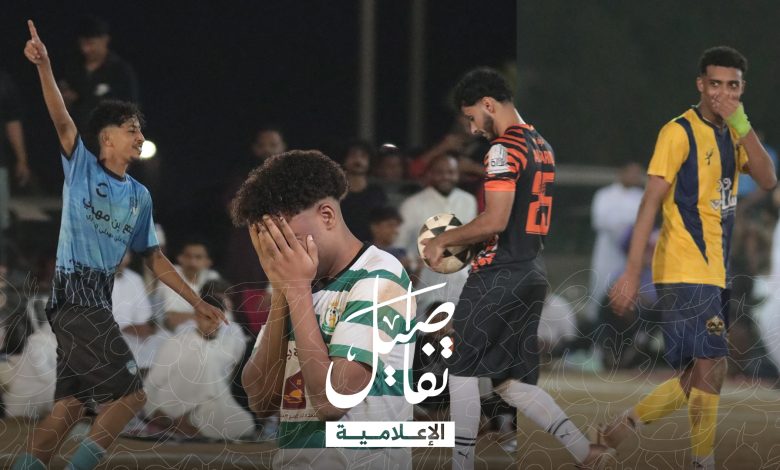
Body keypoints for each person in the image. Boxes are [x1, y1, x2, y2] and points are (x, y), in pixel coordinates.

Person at [11, 21, 225, 470]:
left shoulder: (140, 197)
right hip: (77, 301)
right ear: (106, 138)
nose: (140, 135)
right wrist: (45, 65)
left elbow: (155, 258)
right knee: (132, 397)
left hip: (96, 304)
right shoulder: (82, 167)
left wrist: (197, 302)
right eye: (131, 129)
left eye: (140, 129)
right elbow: (61, 118)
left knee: (72, 407)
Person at [421, 67, 608, 469]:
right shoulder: (542, 145)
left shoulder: (503, 150)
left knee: (461, 369)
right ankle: (585, 451)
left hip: (499, 274)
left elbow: (495, 220)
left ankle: (461, 465)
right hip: (531, 272)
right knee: (509, 382)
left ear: (489, 104)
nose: (472, 129)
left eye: (472, 117)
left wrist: (443, 240)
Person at [605, 46, 777, 470]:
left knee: (698, 375)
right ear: (701, 84)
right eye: (715, 84)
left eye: (732, 86)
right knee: (712, 364)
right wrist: (632, 272)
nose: (723, 93)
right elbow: (649, 202)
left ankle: (620, 428)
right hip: (684, 268)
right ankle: (703, 461)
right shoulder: (678, 131)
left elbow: (768, 178)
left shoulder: (733, 134)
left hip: (714, 272)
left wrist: (742, 124)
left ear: (741, 90)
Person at [233, 150, 415, 469]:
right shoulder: (299, 283)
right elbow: (260, 400)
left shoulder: (380, 276)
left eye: (286, 239)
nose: (279, 254)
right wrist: (282, 291)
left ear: (327, 215)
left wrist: (296, 289)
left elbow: (332, 401)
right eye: (270, 245)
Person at [144, 280, 254, 441]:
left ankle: (190, 425)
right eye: (208, 318)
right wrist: (157, 413)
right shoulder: (176, 343)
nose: (214, 324)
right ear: (196, 316)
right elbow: (151, 384)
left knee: (245, 425)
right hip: (174, 404)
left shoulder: (229, 342)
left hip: (211, 405)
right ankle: (180, 423)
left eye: (218, 318)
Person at [397, 153, 478, 314]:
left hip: (461, 281)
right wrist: (413, 264)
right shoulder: (412, 204)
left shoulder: (469, 200)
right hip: (424, 280)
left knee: (460, 325)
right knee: (423, 326)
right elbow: (399, 246)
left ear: (458, 174)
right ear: (430, 174)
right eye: (440, 172)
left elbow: (474, 242)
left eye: (450, 172)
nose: (445, 176)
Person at [586, 162, 644, 323]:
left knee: (626, 293)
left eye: (637, 174)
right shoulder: (604, 195)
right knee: (600, 287)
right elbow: (599, 220)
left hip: (631, 252)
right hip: (607, 251)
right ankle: (596, 327)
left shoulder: (642, 196)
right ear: (621, 173)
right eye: (631, 173)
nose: (634, 177)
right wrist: (624, 229)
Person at [58, 16, 139, 129]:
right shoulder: (73, 68)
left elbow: (131, 109)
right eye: (82, 44)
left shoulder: (120, 71)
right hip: (76, 134)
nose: (86, 49)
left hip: (108, 135)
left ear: (105, 40)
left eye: (91, 43)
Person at [339, 140, 388, 242]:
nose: (358, 160)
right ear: (344, 160)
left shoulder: (377, 193)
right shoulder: (335, 193)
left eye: (363, 156)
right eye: (353, 155)